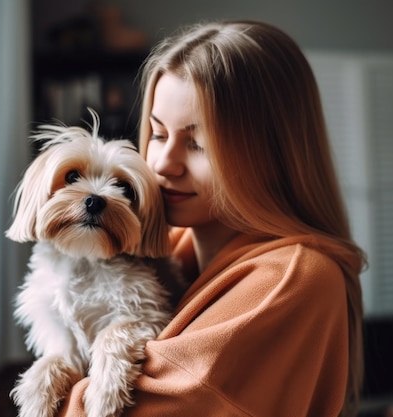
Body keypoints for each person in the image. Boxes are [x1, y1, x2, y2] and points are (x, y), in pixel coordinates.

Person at [58, 20, 366, 417]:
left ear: (272, 155)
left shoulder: (291, 278)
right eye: (157, 134)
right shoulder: (168, 252)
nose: (165, 164)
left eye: (198, 144)